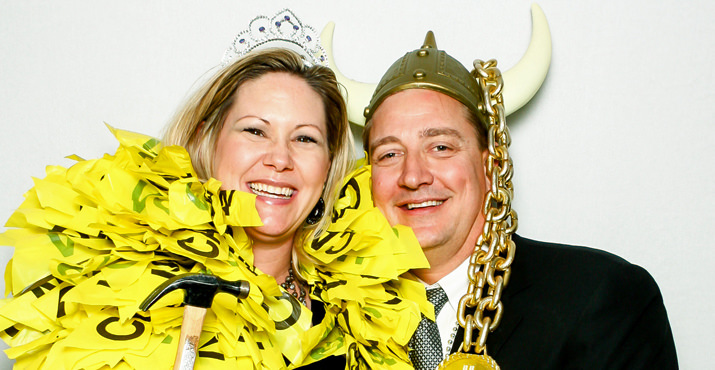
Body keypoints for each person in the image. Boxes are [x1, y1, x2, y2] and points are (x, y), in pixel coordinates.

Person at [0, 10, 429, 369]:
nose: (280, 159)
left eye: (304, 138)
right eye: (255, 130)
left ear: (328, 164)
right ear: (208, 139)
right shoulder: (121, 284)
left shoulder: (362, 314)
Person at [330, 19, 679, 370]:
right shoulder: (329, 315)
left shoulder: (601, 297)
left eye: (440, 146)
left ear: (488, 165)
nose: (413, 176)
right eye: (389, 154)